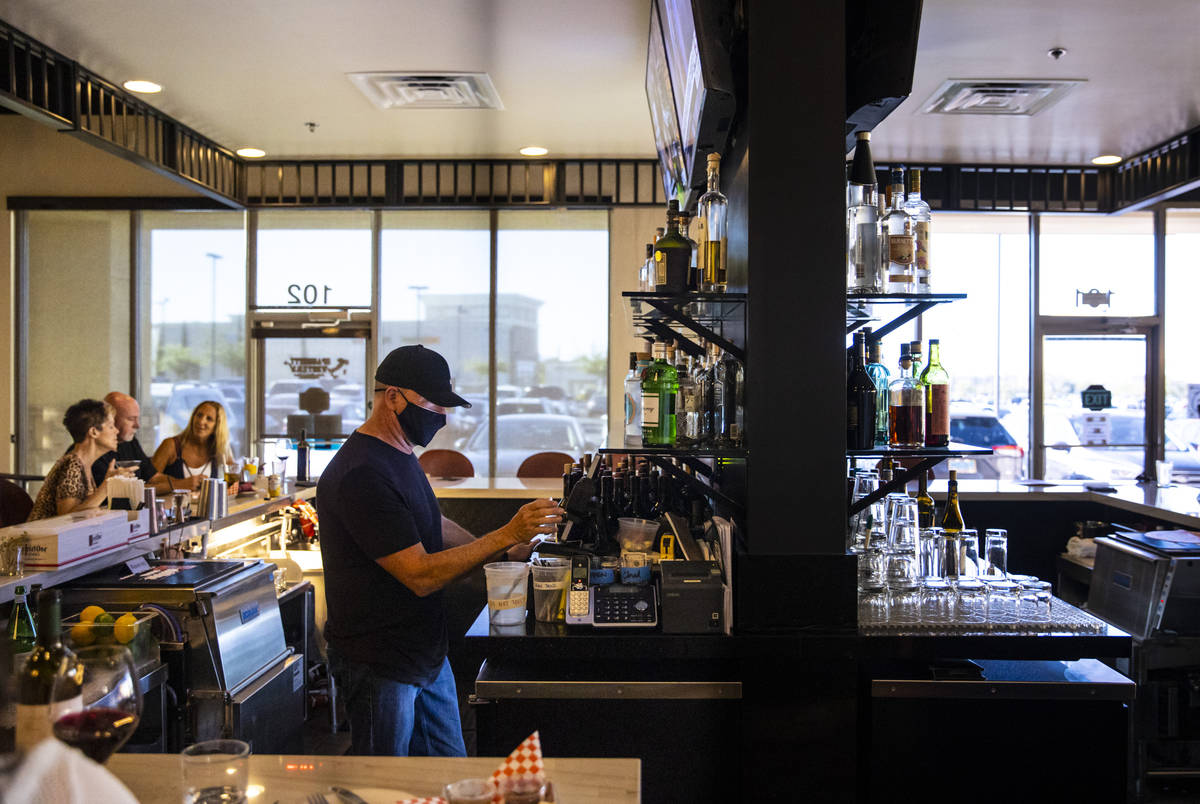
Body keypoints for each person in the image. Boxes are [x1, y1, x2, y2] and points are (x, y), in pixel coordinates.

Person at [317, 344, 563, 757]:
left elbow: (433, 524)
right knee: (384, 783)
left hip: (426, 653)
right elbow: (420, 574)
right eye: (432, 403)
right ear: (393, 396)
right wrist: (504, 534)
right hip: (381, 661)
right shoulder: (361, 474)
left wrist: (502, 554)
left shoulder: (399, 454)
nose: (442, 416)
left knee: (451, 774)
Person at [29, 399, 130, 520]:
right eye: (111, 426)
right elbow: (66, 519)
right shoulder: (72, 465)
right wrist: (107, 486)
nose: (117, 431)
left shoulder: (84, 463)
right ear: (93, 432)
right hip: (43, 537)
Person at [85, 392, 174, 494]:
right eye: (131, 419)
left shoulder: (130, 442)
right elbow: (72, 509)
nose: (138, 425)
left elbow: (151, 476)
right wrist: (108, 487)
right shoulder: (79, 461)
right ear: (94, 431)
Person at [151, 400, 234, 492]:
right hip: (172, 505)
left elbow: (233, 481)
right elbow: (149, 481)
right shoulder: (171, 445)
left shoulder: (219, 449)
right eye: (199, 415)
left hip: (207, 505)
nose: (201, 421)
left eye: (209, 419)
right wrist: (181, 483)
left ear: (217, 426)